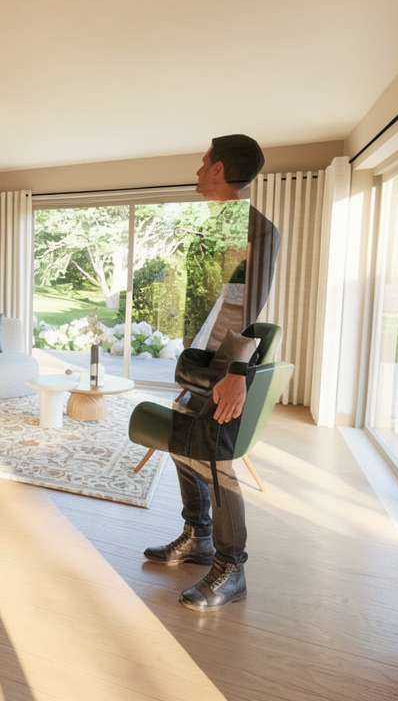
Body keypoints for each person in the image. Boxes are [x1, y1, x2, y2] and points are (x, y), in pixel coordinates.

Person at [143, 133, 280, 612]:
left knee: (215, 465)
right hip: (202, 363)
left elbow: (247, 305)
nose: (198, 170)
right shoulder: (218, 225)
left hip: (226, 368)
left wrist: (236, 372)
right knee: (182, 445)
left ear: (219, 169)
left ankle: (231, 568)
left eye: (204, 162)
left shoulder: (255, 229)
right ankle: (197, 537)